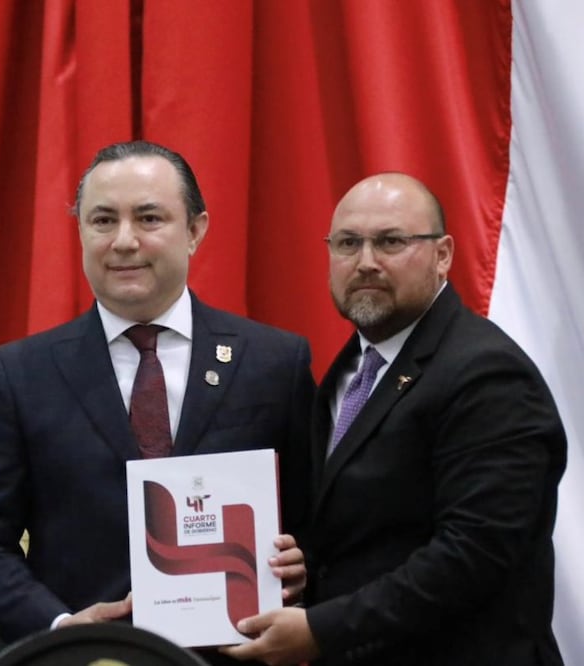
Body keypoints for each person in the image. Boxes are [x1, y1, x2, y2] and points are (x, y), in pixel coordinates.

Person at [0, 140, 315, 662]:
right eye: (103, 220)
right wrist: (60, 627)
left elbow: (320, 520)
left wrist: (302, 568)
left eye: (149, 218)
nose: (124, 241)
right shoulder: (21, 374)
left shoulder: (274, 362)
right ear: (80, 231)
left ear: (195, 231)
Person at [222, 172, 567, 665]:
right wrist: (306, 570)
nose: (365, 262)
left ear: (443, 254)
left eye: (391, 242)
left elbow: (473, 555)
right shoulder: (349, 370)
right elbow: (364, 533)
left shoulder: (487, 374)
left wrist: (322, 629)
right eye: (347, 244)